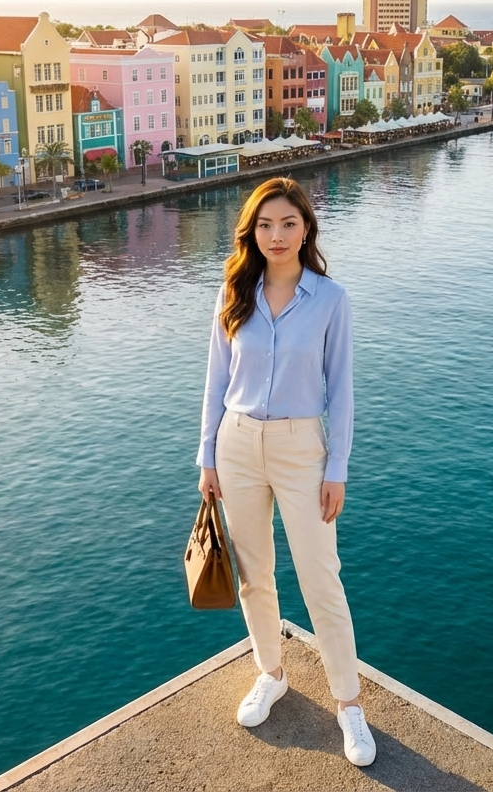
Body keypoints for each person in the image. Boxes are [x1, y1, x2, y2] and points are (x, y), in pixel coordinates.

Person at [197, 176, 376, 768]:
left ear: (306, 230)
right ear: (253, 231)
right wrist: (206, 458)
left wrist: (337, 468)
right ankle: (270, 673)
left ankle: (348, 703)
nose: (276, 235)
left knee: (322, 579)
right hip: (238, 443)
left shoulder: (331, 300)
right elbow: (216, 381)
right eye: (266, 225)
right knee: (254, 574)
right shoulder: (234, 290)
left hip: (304, 448)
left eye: (288, 224)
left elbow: (342, 392)